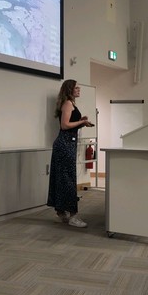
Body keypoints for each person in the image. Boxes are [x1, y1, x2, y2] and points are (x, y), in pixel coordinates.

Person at [47, 79, 93, 228]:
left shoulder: (71, 104)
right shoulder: (67, 103)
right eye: (76, 87)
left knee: (63, 178)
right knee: (68, 179)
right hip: (64, 143)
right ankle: (73, 216)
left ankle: (61, 212)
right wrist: (80, 123)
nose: (79, 89)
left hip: (67, 143)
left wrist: (81, 121)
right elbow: (65, 125)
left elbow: (70, 123)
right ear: (69, 89)